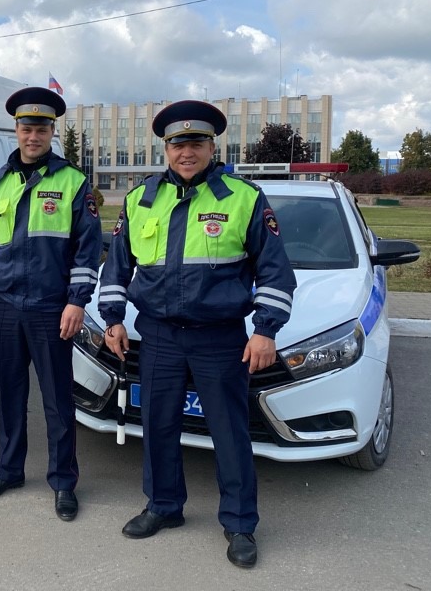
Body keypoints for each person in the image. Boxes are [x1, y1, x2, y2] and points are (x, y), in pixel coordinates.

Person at [99, 100, 297, 567]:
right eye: (177, 143)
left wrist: (265, 331)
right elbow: (118, 266)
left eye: (196, 142)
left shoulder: (242, 197)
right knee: (159, 426)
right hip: (160, 337)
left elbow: (275, 274)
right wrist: (111, 317)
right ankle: (164, 507)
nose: (186, 151)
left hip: (218, 338)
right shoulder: (141, 198)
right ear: (165, 148)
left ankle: (240, 524)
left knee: (229, 433)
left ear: (212, 146)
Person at [0, 87, 102, 522]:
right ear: (16, 131)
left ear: (52, 132)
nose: (33, 135)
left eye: (41, 128)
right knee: (11, 397)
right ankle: (9, 470)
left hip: (50, 307)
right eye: (26, 128)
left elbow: (87, 250)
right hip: (4, 306)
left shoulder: (73, 183)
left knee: (58, 400)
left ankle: (63, 482)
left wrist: (77, 302)